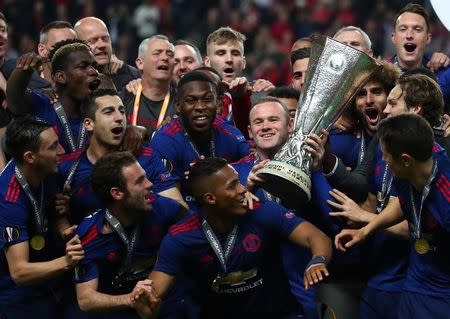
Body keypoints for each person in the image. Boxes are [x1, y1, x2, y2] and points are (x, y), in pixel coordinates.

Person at [147, 157, 332, 319]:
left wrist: (318, 259)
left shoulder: (261, 211)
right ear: (210, 198)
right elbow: (153, 291)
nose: (243, 189)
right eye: (233, 185)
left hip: (278, 313)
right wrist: (144, 299)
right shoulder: (182, 236)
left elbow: (315, 236)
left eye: (239, 182)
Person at [335, 113, 450, 318]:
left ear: (405, 160)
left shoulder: (446, 202)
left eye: (386, 156)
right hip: (416, 278)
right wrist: (366, 230)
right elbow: (403, 203)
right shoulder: (418, 158)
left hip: (442, 291)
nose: (384, 161)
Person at [74, 151, 187, 318]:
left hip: (166, 302)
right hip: (119, 308)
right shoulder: (89, 233)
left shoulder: (162, 207)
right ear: (117, 193)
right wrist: (131, 299)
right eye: (140, 181)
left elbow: (196, 229)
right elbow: (85, 299)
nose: (150, 185)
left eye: (146, 177)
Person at [58, 88, 185, 226]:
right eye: (109, 112)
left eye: (122, 111)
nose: (119, 118)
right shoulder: (67, 167)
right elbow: (56, 214)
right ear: (89, 124)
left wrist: (140, 197)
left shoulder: (146, 157)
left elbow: (180, 210)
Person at [0, 116, 83, 318]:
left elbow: (52, 212)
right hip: (21, 296)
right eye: (54, 147)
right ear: (30, 157)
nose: (62, 150)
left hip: (52, 280)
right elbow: (19, 272)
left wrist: (64, 229)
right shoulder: (8, 200)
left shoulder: (48, 169)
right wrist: (67, 261)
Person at [151, 70, 250, 208]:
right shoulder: (165, 140)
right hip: (189, 217)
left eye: (207, 99)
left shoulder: (229, 132)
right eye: (191, 101)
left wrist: (220, 173)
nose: (200, 107)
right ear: (178, 105)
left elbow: (252, 162)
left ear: (218, 103)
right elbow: (171, 207)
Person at [6, 39, 100, 154]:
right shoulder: (43, 103)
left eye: (94, 66)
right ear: (60, 77)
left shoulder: (98, 110)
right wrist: (24, 70)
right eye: (83, 66)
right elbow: (14, 96)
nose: (94, 71)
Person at [205, 26, 274, 137]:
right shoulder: (198, 99)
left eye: (235, 54)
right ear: (207, 62)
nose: (229, 60)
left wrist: (275, 97)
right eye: (221, 53)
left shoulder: (260, 94)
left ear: (244, 62)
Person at [389, 3, 450, 108]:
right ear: (394, 38)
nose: (409, 35)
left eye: (417, 29)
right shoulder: (379, 74)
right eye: (403, 29)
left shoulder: (444, 75)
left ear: (428, 38)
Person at [121, 35, 177, 136]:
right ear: (140, 63)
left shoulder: (182, 103)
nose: (165, 58)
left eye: (170, 54)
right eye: (157, 53)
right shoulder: (122, 99)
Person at [74, 17, 140, 90]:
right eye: (93, 41)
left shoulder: (130, 76)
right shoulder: (69, 82)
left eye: (105, 39)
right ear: (77, 47)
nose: (102, 45)